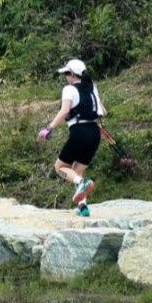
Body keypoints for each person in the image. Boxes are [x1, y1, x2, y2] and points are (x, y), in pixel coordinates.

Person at [37, 58, 106, 217]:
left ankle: (81, 184)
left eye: (67, 73)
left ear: (74, 75)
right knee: (76, 172)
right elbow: (103, 111)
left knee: (59, 167)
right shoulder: (92, 88)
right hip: (95, 133)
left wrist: (49, 128)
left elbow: (64, 111)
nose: (66, 76)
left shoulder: (69, 89)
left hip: (80, 132)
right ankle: (83, 207)